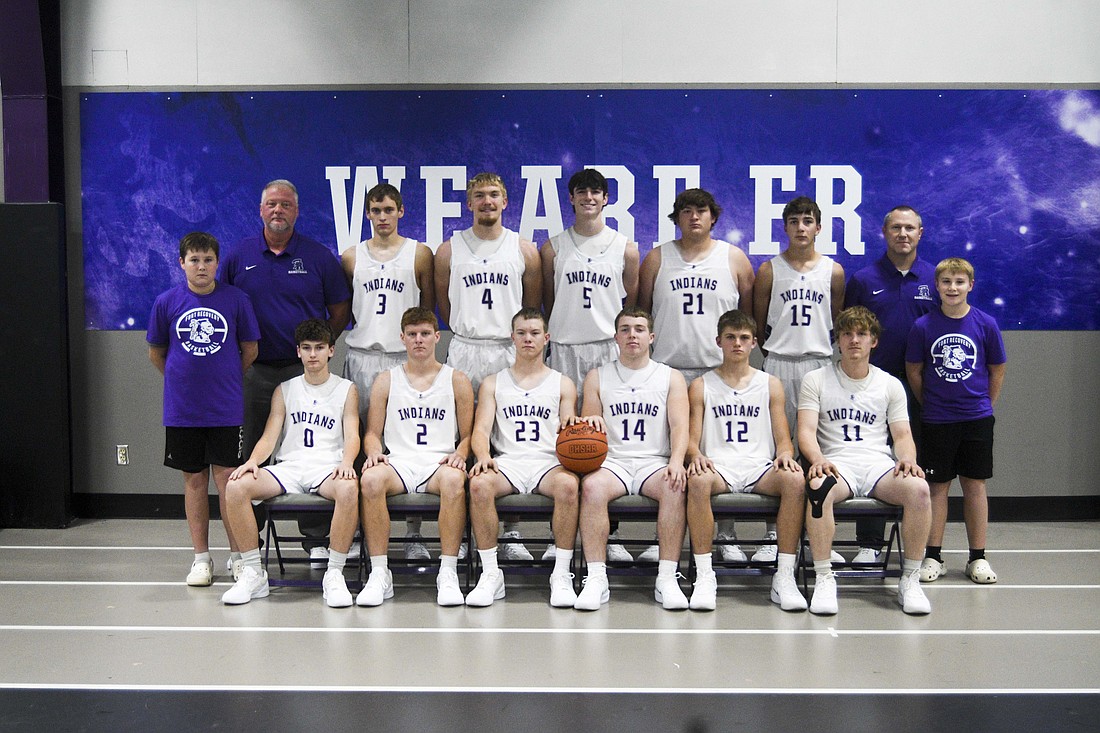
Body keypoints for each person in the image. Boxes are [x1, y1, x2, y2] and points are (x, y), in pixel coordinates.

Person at [222, 179, 352, 568]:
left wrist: (317, 347)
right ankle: (250, 544)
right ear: (261, 210)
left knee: (312, 451)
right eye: (271, 205)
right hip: (254, 371)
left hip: (304, 370)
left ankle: (315, 541)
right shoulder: (239, 255)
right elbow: (222, 305)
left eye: (285, 205)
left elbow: (340, 309)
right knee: (249, 455)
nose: (278, 210)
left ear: (296, 211)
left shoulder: (317, 257)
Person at [639, 188, 755, 563]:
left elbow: (747, 316)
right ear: (677, 218)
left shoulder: (733, 258)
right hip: (668, 371)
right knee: (663, 456)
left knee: (721, 455)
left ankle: (726, 534)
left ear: (713, 217)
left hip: (718, 371)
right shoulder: (657, 258)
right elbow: (642, 312)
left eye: (701, 211)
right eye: (686, 211)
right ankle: (661, 539)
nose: (694, 218)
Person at [798, 306, 932, 616]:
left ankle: (910, 579)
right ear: (838, 341)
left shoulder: (889, 384)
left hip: (876, 465)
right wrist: (816, 458)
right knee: (817, 488)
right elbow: (804, 431)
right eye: (847, 334)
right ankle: (823, 578)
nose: (854, 340)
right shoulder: (816, 379)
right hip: (836, 464)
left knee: (920, 490)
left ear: (874, 341)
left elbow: (901, 435)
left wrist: (908, 460)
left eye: (862, 334)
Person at [435, 172, 541, 559]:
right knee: (459, 438)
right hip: (465, 347)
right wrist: (467, 332)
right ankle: (461, 532)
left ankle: (509, 532)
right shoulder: (449, 250)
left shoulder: (524, 249)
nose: (486, 201)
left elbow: (531, 304)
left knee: (505, 439)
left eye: (493, 195)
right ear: (468, 203)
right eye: (478, 195)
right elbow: (443, 306)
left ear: (505, 201)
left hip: (508, 349)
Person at [219, 319, 360, 607]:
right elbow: (270, 436)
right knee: (235, 488)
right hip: (290, 467)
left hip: (327, 467)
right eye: (306, 348)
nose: (312, 355)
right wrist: (254, 461)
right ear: (297, 352)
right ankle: (253, 573)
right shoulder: (285, 389)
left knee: (348, 489)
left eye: (319, 348)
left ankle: (334, 574)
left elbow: (353, 433)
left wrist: (347, 462)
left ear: (332, 351)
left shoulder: (346, 388)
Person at [147, 232, 259, 586]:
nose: (201, 266)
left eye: (208, 260)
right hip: (183, 411)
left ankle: (238, 557)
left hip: (225, 409)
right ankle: (201, 559)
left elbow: (250, 350)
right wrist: (183, 381)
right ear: (181, 263)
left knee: (229, 484)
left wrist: (223, 376)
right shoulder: (166, 302)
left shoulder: (236, 300)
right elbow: (157, 353)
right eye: (194, 260)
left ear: (217, 263)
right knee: (194, 481)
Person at [541, 168, 639, 562]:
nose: (589, 198)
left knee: (604, 444)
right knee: (562, 443)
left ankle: (607, 535)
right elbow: (546, 299)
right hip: (564, 347)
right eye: (581, 192)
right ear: (571, 198)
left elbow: (632, 298)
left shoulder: (625, 247)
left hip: (606, 351)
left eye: (596, 192)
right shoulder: (553, 247)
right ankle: (557, 534)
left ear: (606, 198)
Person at [684, 310, 807, 611]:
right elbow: (690, 438)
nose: (737, 344)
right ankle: (704, 575)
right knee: (697, 480)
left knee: (795, 479)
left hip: (758, 467)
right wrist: (695, 454)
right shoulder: (701, 384)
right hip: (719, 467)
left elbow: (783, 438)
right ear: (719, 341)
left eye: (743, 338)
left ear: (754, 343)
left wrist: (786, 456)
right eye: (730, 337)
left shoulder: (770, 383)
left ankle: (785, 575)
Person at [355, 307, 475, 607]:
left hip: (439, 462)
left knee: (453, 481)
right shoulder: (386, 380)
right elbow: (372, 433)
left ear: (437, 336)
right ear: (402, 338)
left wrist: (461, 453)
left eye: (424, 334)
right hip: (399, 462)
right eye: (412, 335)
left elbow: (470, 434)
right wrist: (373, 453)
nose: (418, 340)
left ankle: (447, 572)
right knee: (369, 479)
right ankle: (380, 573)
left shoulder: (456, 379)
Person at [572, 307, 690, 611]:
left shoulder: (670, 377)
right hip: (613, 462)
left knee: (675, 486)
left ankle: (667, 577)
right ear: (615, 337)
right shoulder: (597, 376)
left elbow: (679, 426)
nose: (632, 335)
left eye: (639, 329)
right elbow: (590, 426)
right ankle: (596, 577)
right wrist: (590, 424)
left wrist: (676, 461)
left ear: (651, 336)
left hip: (655, 461)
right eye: (625, 329)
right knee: (592, 488)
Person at [341, 183, 435, 562]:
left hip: (403, 359)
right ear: (367, 214)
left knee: (412, 444)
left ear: (401, 212)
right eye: (375, 210)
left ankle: (414, 532)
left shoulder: (420, 254)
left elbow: (427, 309)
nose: (382, 216)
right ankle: (358, 532)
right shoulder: (350, 257)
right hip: (362, 355)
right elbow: (345, 308)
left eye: (389, 209)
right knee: (361, 443)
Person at [465, 308, 581, 608]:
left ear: (546, 338)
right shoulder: (493, 382)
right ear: (512, 337)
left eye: (534, 333)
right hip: (508, 463)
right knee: (478, 485)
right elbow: (480, 431)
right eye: (521, 333)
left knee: (569, 486)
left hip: (548, 463)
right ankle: (491, 574)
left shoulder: (562, 383)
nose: (528, 339)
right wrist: (482, 456)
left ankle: (561, 573)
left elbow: (569, 430)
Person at [752, 195, 845, 564]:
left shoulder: (833, 271)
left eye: (808, 221)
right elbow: (758, 321)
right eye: (794, 221)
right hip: (778, 362)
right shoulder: (769, 270)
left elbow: (836, 320)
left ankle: (815, 534)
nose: (801, 227)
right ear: (785, 227)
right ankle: (773, 534)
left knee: (816, 449)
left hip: (819, 363)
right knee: (778, 448)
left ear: (819, 227)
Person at [844, 205, 939, 564]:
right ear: (884, 233)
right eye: (896, 228)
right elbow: (847, 330)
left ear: (920, 233)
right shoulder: (864, 279)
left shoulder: (935, 277)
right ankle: (870, 545)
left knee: (913, 464)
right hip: (871, 390)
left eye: (910, 228)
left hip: (921, 388)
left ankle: (924, 550)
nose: (903, 234)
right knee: (873, 461)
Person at [906, 257, 1006, 585]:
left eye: (959, 282)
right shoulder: (923, 327)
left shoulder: (985, 323)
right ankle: (933, 556)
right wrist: (932, 404)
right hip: (937, 419)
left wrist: (982, 406)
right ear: (937, 286)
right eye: (946, 282)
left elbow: (996, 370)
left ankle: (977, 557)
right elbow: (915, 372)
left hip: (976, 418)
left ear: (970, 286)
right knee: (937, 488)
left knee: (975, 485)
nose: (952, 288)